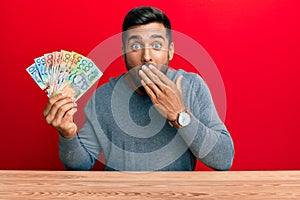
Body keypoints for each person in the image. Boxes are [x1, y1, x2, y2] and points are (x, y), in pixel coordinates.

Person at [43, 6, 234, 171]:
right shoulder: (103, 96)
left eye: (157, 45)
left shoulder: (192, 85)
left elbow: (224, 159)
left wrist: (180, 115)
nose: (147, 56)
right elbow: (80, 164)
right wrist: (68, 134)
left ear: (171, 51)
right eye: (135, 46)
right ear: (124, 52)